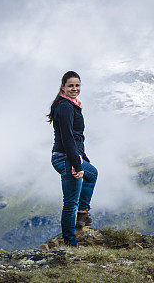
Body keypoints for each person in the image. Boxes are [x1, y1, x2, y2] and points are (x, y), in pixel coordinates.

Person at [47, 70, 98, 246]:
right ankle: (70, 243)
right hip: (65, 157)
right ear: (63, 87)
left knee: (91, 174)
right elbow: (67, 137)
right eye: (71, 85)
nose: (74, 88)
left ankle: (82, 214)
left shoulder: (72, 104)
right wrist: (76, 164)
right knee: (70, 203)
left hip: (73, 155)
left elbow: (76, 137)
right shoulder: (65, 107)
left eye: (77, 85)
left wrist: (82, 157)